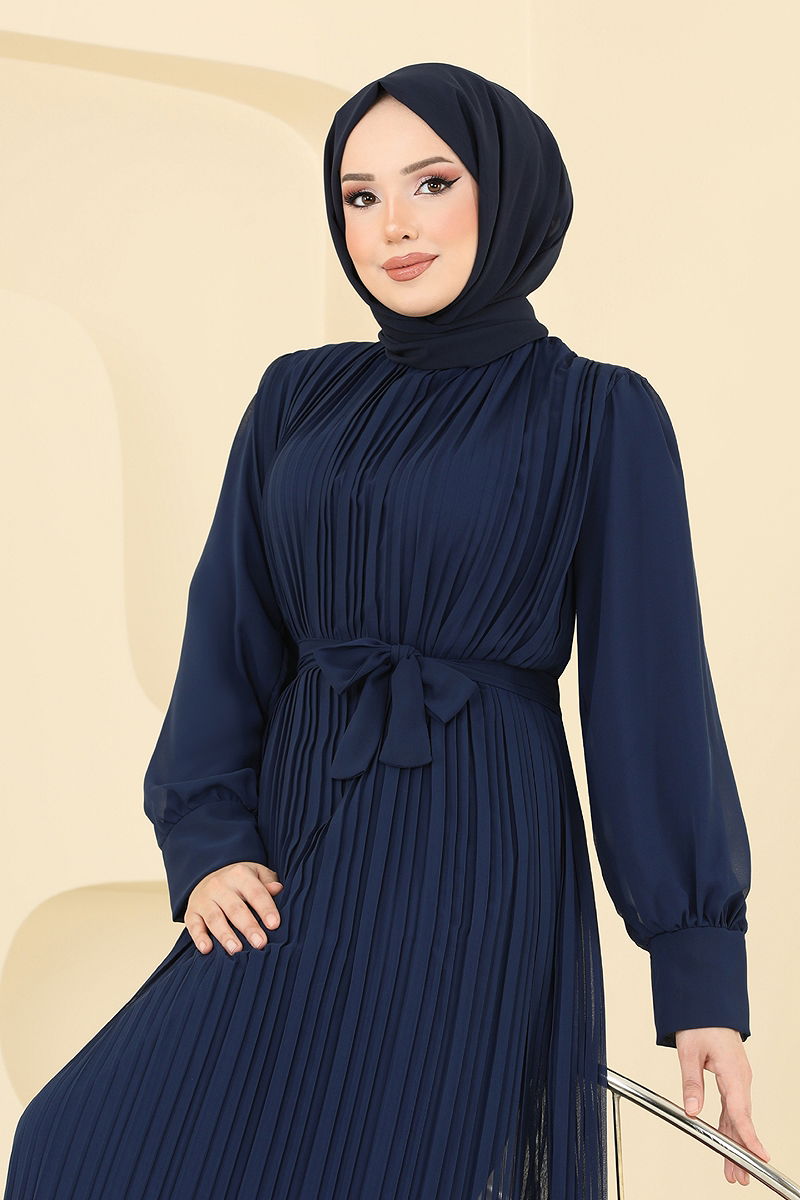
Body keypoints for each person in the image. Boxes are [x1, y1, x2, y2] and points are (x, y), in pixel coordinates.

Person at [3, 61, 770, 1198]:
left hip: (473, 851)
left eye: (430, 182)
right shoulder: (297, 399)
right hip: (297, 831)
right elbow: (229, 633)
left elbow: (650, 699)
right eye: (359, 196)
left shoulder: (596, 412)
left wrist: (699, 979)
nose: (392, 226)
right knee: (75, 1142)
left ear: (506, 191)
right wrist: (207, 839)